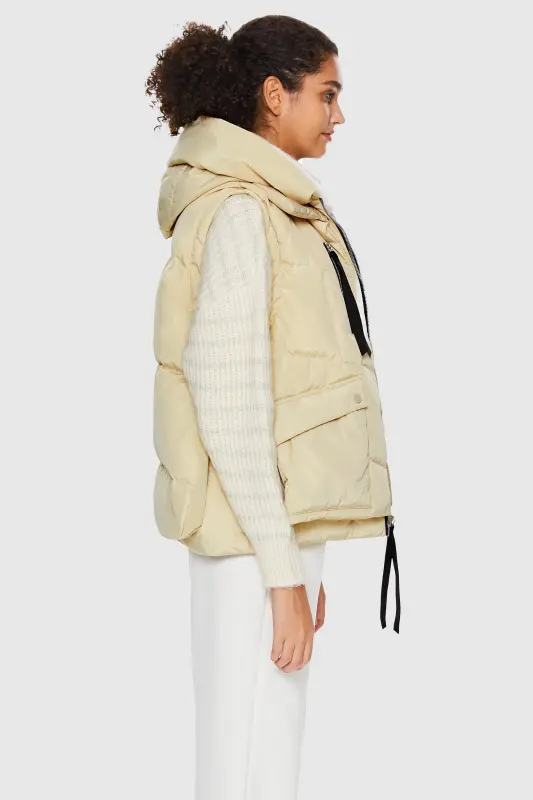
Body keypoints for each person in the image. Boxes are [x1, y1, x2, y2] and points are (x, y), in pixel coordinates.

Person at [146, 14, 401, 800]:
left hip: (266, 533)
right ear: (272, 94)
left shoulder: (273, 206)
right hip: (249, 542)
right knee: (246, 757)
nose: (338, 114)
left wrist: (294, 556)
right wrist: (281, 574)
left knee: (265, 752)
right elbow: (230, 405)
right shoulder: (240, 213)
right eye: (325, 93)